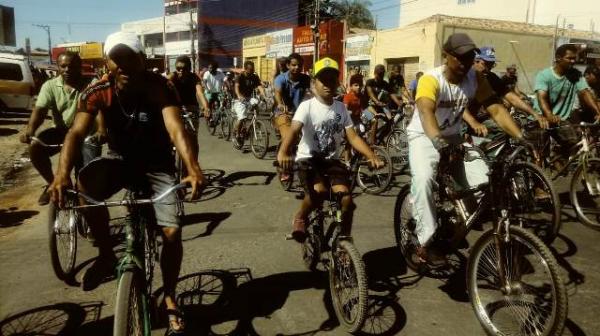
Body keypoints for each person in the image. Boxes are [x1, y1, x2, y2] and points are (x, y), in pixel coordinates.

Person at [48, 32, 206, 335]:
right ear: (107, 63)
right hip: (120, 160)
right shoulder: (97, 90)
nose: (123, 66)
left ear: (142, 60)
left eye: (129, 59)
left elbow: (176, 129)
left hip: (157, 165)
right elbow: (75, 134)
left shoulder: (160, 86)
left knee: (172, 233)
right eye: (116, 60)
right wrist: (60, 175)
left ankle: (170, 296)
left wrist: (193, 167)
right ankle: (107, 253)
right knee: (84, 187)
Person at [406, 33, 527, 267]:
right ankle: (424, 243)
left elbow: (496, 109)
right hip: (424, 136)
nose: (465, 62)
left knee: (484, 183)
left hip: (453, 136)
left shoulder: (475, 77)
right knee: (423, 181)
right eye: (460, 57)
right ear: (446, 56)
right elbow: (425, 112)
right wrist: (438, 143)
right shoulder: (431, 80)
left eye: (470, 57)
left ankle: (452, 227)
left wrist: (522, 137)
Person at [277, 57, 383, 242]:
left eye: (332, 80)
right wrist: (283, 152)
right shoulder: (307, 106)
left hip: (331, 162)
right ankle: (301, 216)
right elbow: (293, 131)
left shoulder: (341, 108)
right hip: (308, 160)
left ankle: (344, 240)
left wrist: (370, 155)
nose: (327, 84)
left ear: (337, 83)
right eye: (322, 80)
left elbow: (353, 137)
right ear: (314, 83)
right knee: (318, 193)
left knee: (347, 200)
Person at [20, 51, 102, 205]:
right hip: (61, 132)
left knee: (86, 178)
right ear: (57, 67)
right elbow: (40, 110)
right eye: (63, 66)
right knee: (35, 147)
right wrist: (30, 130)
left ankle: (84, 199)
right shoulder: (50, 86)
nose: (67, 70)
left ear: (80, 67)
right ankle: (53, 183)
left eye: (72, 66)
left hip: (86, 135)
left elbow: (99, 109)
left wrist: (101, 131)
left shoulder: (91, 83)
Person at [463, 46, 549, 138]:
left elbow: (511, 97)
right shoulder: (463, 76)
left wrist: (535, 114)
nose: (488, 69)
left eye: (491, 65)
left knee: (507, 130)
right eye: (486, 64)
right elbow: (457, 106)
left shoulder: (491, 78)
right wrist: (473, 122)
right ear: (475, 61)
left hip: (476, 118)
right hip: (457, 119)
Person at [533, 44, 600, 160]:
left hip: (561, 119)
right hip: (542, 118)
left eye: (575, 58)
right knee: (538, 155)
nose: (573, 61)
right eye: (569, 58)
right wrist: (549, 115)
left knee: (573, 142)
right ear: (558, 58)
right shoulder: (544, 75)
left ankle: (557, 157)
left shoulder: (575, 75)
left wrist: (597, 112)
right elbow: (542, 97)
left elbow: (585, 93)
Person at [273, 53, 311, 141]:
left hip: (300, 113)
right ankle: (283, 153)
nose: (297, 67)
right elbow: (277, 93)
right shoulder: (280, 78)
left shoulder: (306, 79)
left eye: (299, 65)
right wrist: (280, 104)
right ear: (288, 65)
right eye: (294, 65)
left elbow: (314, 90)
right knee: (288, 138)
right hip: (283, 112)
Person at [168, 55, 209, 136]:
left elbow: (200, 92)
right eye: (178, 69)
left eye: (184, 69)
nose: (181, 71)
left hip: (191, 108)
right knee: (172, 135)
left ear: (189, 69)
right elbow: (165, 81)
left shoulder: (194, 77)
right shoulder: (173, 76)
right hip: (176, 108)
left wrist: (206, 107)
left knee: (193, 137)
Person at [364, 64, 404, 144]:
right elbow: (370, 93)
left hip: (379, 107)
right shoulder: (370, 82)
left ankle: (379, 139)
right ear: (375, 73)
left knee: (390, 121)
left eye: (382, 74)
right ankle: (372, 144)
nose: (381, 76)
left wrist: (400, 104)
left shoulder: (385, 84)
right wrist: (377, 102)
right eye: (379, 74)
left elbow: (392, 94)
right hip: (366, 107)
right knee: (375, 121)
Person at [232, 60, 266, 146]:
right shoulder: (240, 77)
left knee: (257, 103)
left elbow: (259, 86)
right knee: (242, 117)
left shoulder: (254, 76)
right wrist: (239, 96)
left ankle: (253, 122)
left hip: (249, 97)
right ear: (245, 69)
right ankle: (237, 134)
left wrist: (264, 95)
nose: (252, 71)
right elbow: (236, 87)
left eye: (253, 69)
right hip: (238, 99)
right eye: (250, 70)